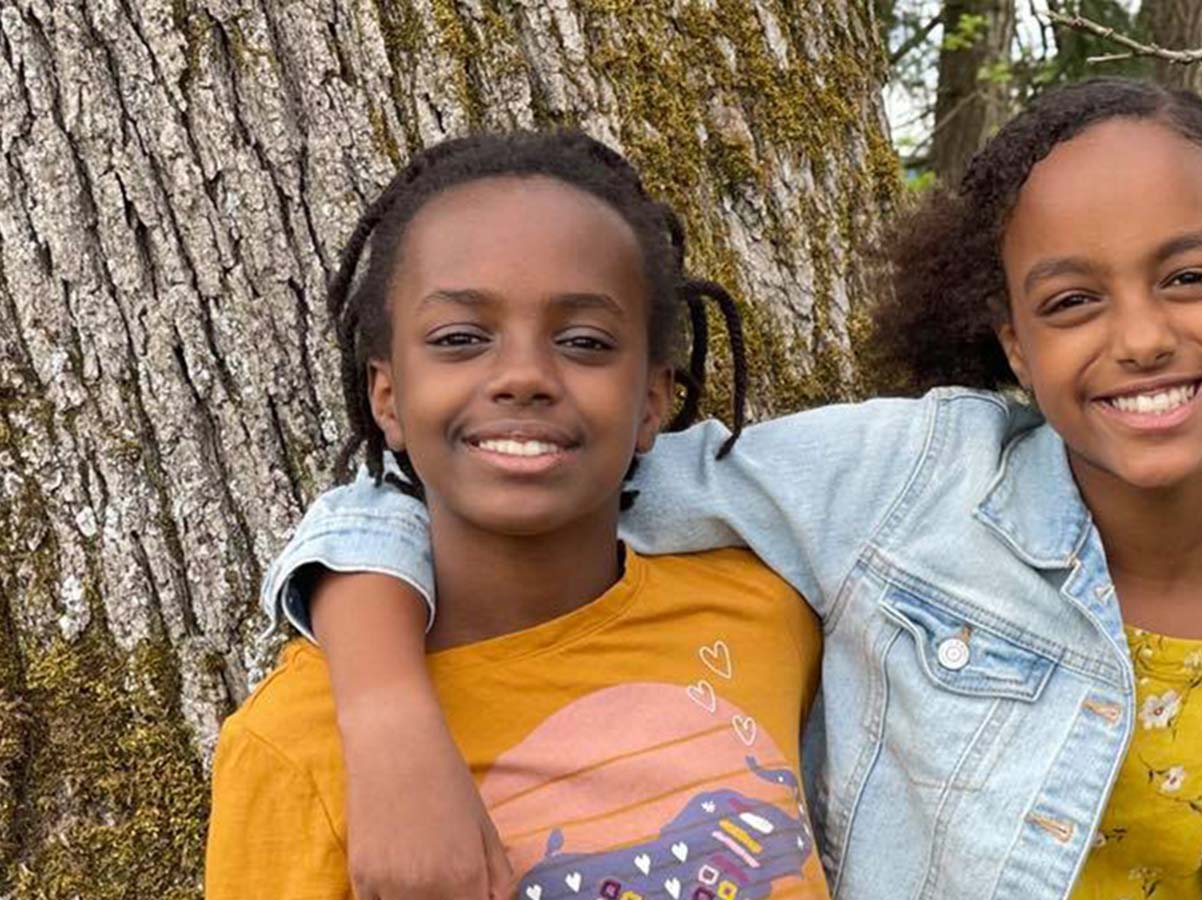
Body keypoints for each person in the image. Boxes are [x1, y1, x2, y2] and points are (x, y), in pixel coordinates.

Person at [262, 79, 1202, 898]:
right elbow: (515, 477)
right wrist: (383, 709)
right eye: (1071, 302)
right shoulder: (901, 487)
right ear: (1008, 341)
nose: (1141, 338)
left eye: (1191, 277)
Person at [204, 130, 832, 900]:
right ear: (387, 397)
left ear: (653, 402)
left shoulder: (766, 616)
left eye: (584, 341)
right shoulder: (297, 745)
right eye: (461, 339)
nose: (525, 376)